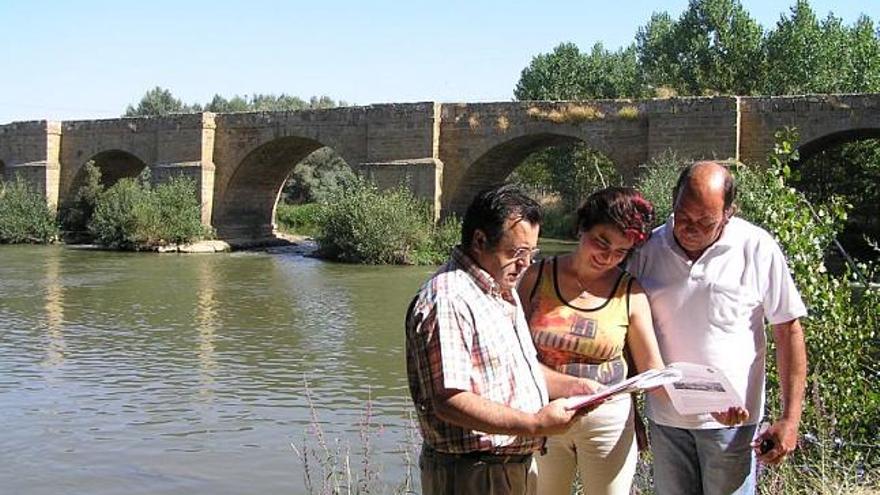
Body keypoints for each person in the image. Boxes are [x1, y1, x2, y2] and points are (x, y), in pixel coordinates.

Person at [627, 161, 808, 495]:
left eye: (705, 221)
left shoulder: (757, 247)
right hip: (666, 420)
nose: (690, 227)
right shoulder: (647, 250)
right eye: (683, 216)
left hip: (734, 423)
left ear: (729, 212)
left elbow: (789, 330)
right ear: (673, 199)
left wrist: (790, 419)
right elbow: (624, 332)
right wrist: (630, 412)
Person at [405, 184, 598, 495]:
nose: (526, 265)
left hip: (507, 468)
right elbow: (449, 400)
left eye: (532, 254)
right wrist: (535, 424)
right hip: (473, 474)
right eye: (517, 253)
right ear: (480, 241)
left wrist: (572, 386)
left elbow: (517, 369)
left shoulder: (499, 290)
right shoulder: (449, 298)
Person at [516, 187, 666, 495]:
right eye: (602, 242)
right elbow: (510, 355)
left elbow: (653, 369)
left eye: (621, 252)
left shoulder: (631, 293)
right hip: (542, 417)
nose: (608, 257)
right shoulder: (534, 278)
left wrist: (706, 404)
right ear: (581, 227)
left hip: (607, 422)